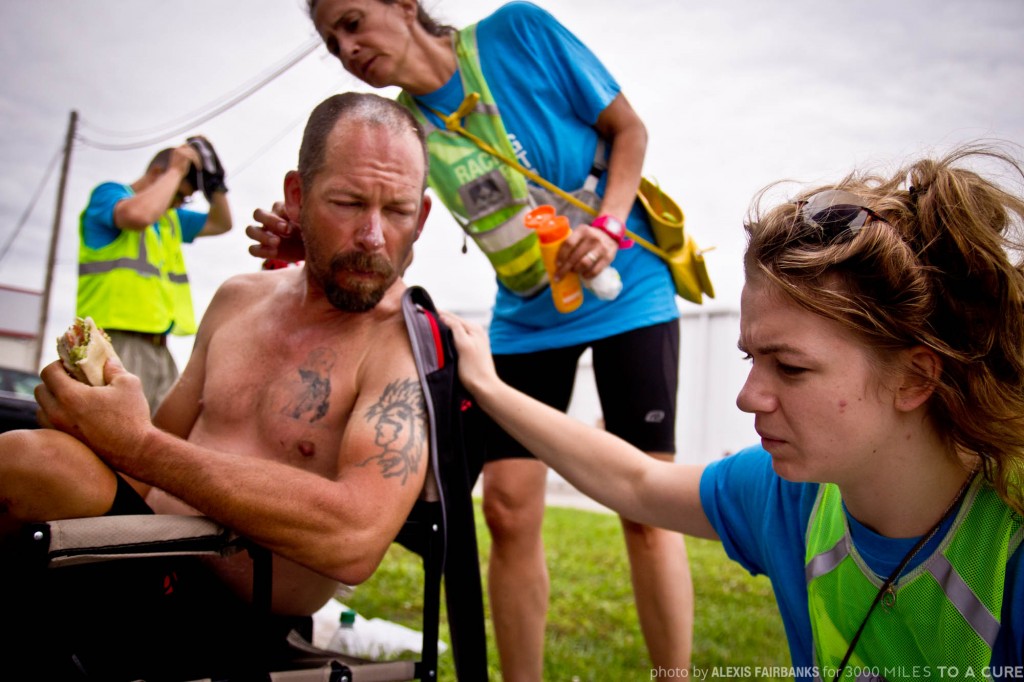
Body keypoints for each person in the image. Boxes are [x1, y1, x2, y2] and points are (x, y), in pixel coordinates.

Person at [442, 143, 1024, 676]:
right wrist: (489, 388)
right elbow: (637, 481)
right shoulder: (794, 496)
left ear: (916, 376)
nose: (748, 397)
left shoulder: (1008, 546)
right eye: (750, 358)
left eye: (790, 368)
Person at [248, 2, 693, 677]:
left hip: (626, 288)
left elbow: (628, 130)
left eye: (353, 20)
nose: (346, 47)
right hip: (524, 312)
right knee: (509, 513)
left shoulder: (519, 32)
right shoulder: (401, 127)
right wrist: (316, 239)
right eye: (331, 38)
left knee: (648, 509)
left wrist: (607, 227)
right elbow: (383, 226)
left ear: (403, 6)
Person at [0, 92, 433, 680]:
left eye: (399, 210)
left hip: (232, 616)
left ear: (423, 217)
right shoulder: (238, 298)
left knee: (34, 464)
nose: (374, 236)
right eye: (348, 202)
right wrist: (92, 423)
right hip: (138, 555)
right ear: (298, 198)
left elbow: (354, 538)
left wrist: (133, 445)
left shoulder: (406, 341)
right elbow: (143, 461)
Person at [77, 136, 233, 412]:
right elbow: (137, 216)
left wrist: (216, 186)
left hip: (159, 345)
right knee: (113, 430)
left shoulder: (169, 219)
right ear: (158, 174)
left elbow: (221, 223)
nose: (178, 204)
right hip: (116, 342)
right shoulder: (110, 195)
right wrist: (176, 169)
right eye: (179, 195)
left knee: (161, 434)